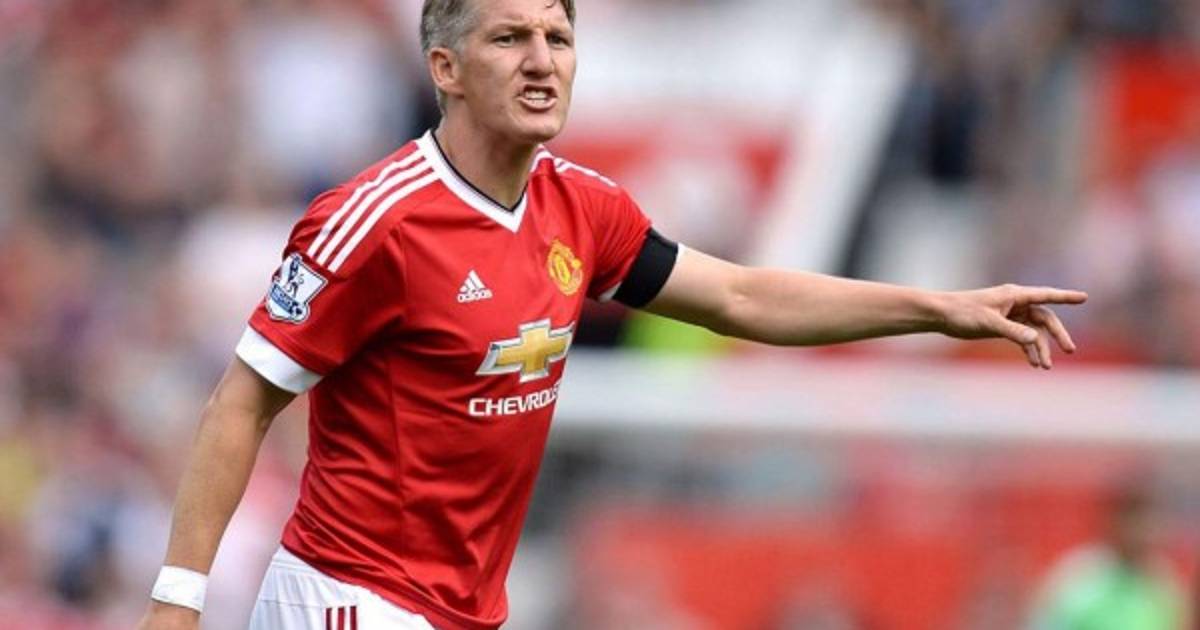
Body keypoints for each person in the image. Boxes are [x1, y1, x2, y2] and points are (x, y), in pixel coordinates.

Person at [137, 0, 1088, 628]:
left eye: (558, 38)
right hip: (349, 600)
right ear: (446, 67)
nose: (541, 61)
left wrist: (940, 309)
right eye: (510, 39)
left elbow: (742, 295)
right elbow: (241, 402)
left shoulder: (582, 210)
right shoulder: (374, 221)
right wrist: (178, 601)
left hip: (462, 608)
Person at [1027, 484, 1191, 630]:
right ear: (1114, 522)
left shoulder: (1165, 585)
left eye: (1151, 520)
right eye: (1135, 520)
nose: (1143, 531)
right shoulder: (1079, 578)